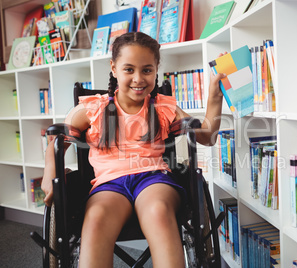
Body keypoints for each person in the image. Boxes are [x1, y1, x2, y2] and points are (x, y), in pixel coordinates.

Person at [41, 31, 226, 268]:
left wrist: (214, 94)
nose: (138, 79)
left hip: (154, 179)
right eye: (129, 69)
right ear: (114, 68)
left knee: (158, 211)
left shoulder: (163, 107)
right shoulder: (93, 109)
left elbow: (207, 137)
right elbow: (57, 140)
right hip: (109, 184)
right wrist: (50, 173)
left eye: (146, 70)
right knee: (96, 219)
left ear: (156, 69)